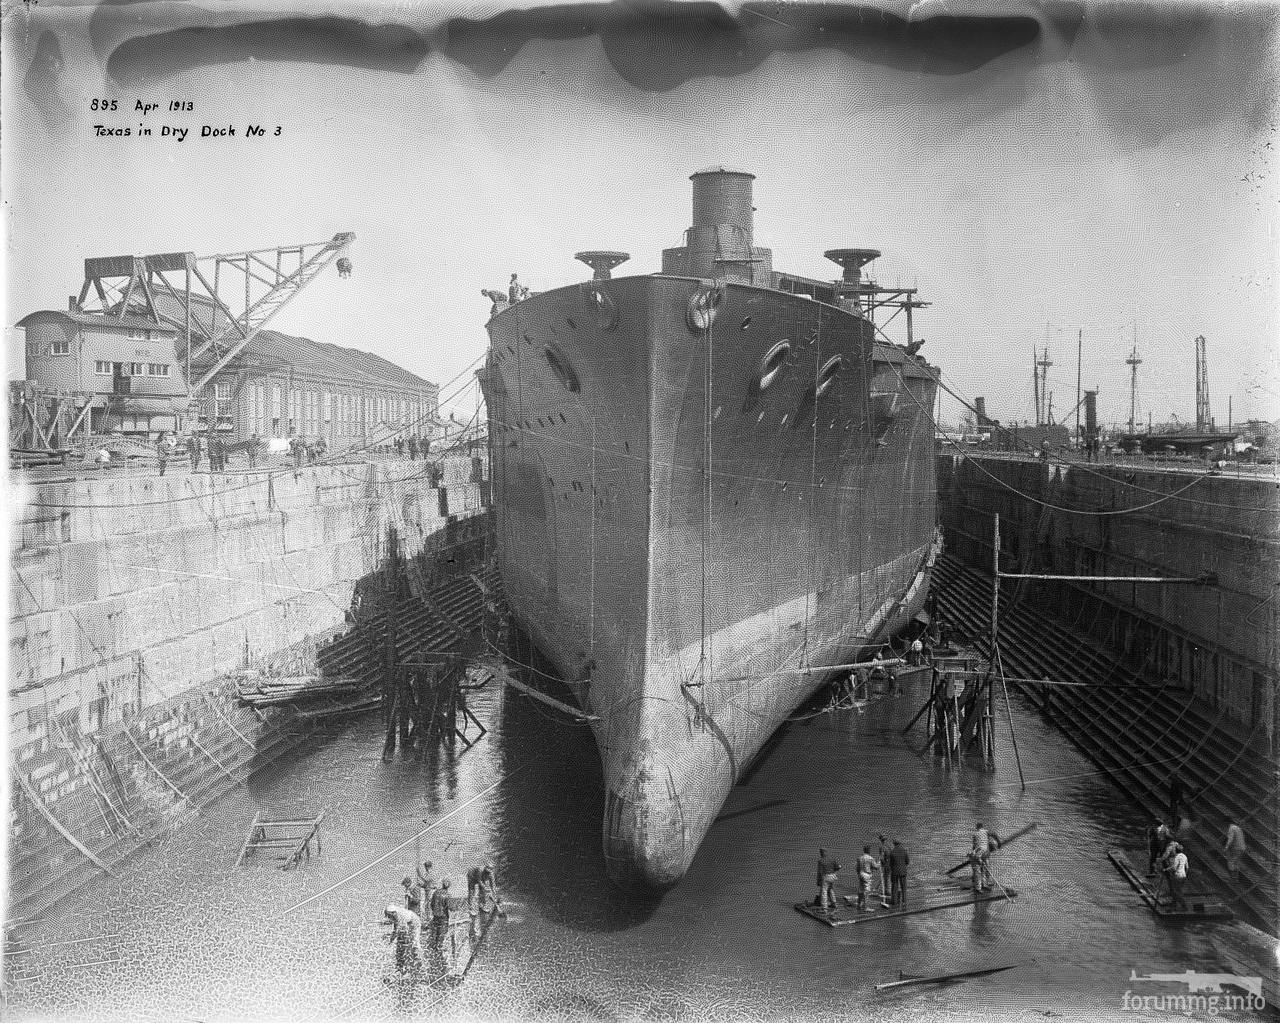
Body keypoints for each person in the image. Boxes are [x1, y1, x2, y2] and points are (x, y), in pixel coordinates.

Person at [383, 904, 422, 976]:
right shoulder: (395, 913)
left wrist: (391, 939)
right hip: (407, 922)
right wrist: (389, 922)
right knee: (401, 943)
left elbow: (397, 929)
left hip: (414, 923)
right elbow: (396, 923)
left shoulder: (400, 915)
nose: (388, 917)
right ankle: (401, 966)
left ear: (393, 913)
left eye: (389, 915)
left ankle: (417, 964)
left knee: (413, 942)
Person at [815, 847, 840, 913]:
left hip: (826, 877)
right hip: (833, 876)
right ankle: (834, 903)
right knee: (830, 889)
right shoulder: (832, 859)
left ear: (821, 853)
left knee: (824, 891)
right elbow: (838, 867)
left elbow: (820, 872)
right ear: (826, 852)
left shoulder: (821, 861)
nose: (820, 854)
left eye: (821, 853)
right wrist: (833, 871)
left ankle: (824, 908)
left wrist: (818, 881)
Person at [971, 822, 993, 892]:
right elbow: (977, 856)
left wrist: (983, 862)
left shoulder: (985, 849)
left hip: (978, 855)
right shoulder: (982, 848)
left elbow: (974, 846)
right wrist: (981, 862)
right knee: (977, 872)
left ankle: (984, 885)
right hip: (975, 857)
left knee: (984, 870)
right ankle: (978, 889)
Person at [429, 879, 451, 949]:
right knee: (441, 936)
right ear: (448, 886)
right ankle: (439, 952)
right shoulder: (447, 895)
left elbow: (431, 904)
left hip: (435, 916)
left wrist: (434, 911)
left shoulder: (436, 892)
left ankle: (433, 950)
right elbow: (448, 906)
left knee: (434, 934)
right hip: (443, 917)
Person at [855, 845, 878, 911]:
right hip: (867, 875)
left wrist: (859, 874)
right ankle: (866, 907)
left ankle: (859, 904)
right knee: (866, 891)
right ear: (869, 851)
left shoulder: (859, 858)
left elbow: (857, 868)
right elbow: (875, 867)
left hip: (861, 874)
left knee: (861, 890)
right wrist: (879, 863)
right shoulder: (870, 858)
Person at [888, 839, 910, 907]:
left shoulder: (892, 852)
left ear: (894, 844)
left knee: (894, 886)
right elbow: (907, 861)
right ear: (900, 844)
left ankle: (894, 901)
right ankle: (904, 901)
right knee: (903, 887)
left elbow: (890, 863)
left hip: (894, 872)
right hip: (903, 871)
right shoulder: (904, 851)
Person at [1168, 844, 1189, 910]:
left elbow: (1174, 868)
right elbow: (1187, 867)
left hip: (1177, 876)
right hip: (1183, 876)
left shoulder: (1177, 857)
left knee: (1176, 891)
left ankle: (1184, 906)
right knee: (1178, 890)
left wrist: (1168, 870)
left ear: (1176, 850)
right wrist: (1184, 873)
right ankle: (1174, 903)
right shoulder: (1185, 856)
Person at [876, 833, 893, 906]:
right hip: (890, 863)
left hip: (886, 864)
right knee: (886, 877)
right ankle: (886, 890)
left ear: (880, 840)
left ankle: (887, 891)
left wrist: (881, 863)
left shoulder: (882, 847)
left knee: (886, 877)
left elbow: (882, 857)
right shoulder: (889, 846)